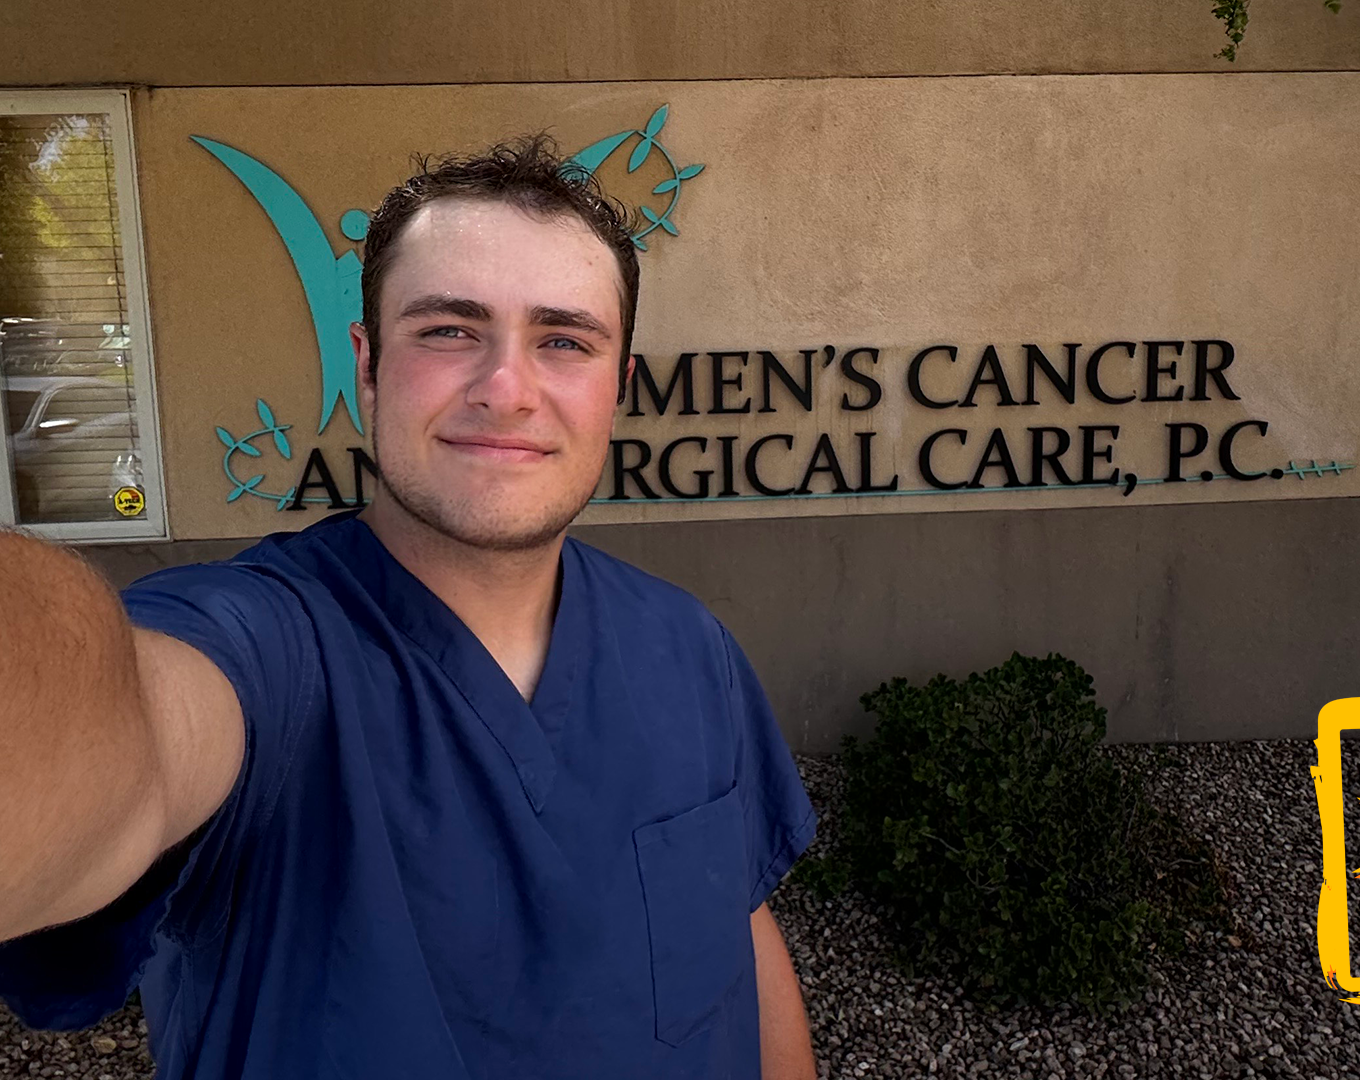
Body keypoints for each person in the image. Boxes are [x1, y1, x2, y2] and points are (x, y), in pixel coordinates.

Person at [0, 134, 820, 1079]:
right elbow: (114, 730)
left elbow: (737, 931)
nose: (507, 389)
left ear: (618, 390)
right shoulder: (272, 653)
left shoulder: (690, 647)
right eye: (448, 330)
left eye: (563, 340)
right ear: (369, 365)